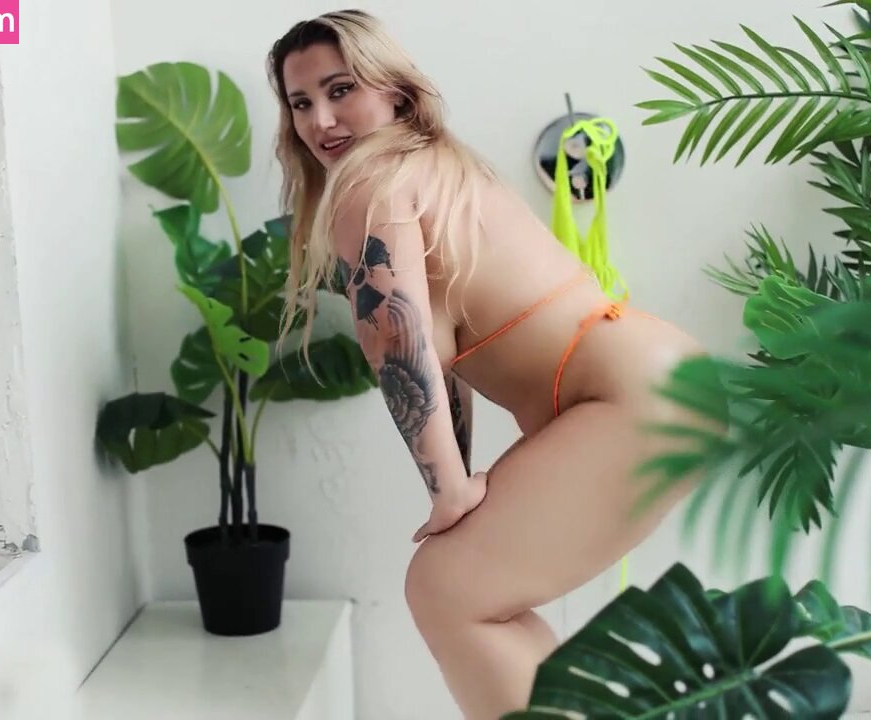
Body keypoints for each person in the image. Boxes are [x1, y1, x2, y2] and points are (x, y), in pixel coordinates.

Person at [268, 10, 706, 720]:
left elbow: (399, 342)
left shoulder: (368, 183)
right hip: (659, 381)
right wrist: (457, 483)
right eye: (301, 102)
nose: (321, 120)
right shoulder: (434, 166)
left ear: (394, 90)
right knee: (470, 590)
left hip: (628, 396)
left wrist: (449, 493)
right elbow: (438, 361)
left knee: (445, 587)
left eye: (340, 89)